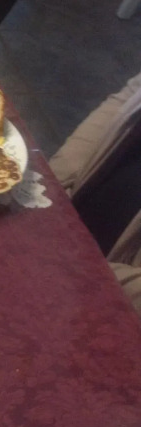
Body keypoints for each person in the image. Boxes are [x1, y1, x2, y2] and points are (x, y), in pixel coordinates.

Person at [49, 69, 141, 317]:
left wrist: (87, 269)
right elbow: (130, 95)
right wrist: (53, 188)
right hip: (64, 239)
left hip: (111, 302)